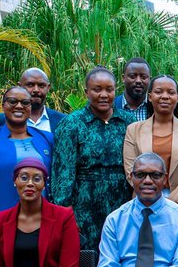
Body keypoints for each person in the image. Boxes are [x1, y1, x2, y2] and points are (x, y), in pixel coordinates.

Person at [50, 67, 135, 250]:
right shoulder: (72, 124)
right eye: (97, 89)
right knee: (86, 261)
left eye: (109, 89)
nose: (104, 95)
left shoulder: (129, 122)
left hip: (123, 204)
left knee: (121, 256)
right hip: (84, 206)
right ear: (86, 92)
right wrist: (66, 214)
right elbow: (62, 174)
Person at [123, 76, 178, 241]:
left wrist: (169, 203)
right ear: (150, 96)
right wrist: (153, 200)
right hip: (144, 202)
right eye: (159, 92)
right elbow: (130, 170)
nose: (165, 96)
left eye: (171, 92)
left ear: (177, 97)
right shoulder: (134, 130)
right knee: (145, 258)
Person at [0, 85, 55, 251]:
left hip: (44, 222)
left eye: (25, 102)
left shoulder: (46, 138)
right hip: (4, 224)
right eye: (12, 101)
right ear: (3, 105)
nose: (19, 106)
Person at [0, 68, 65, 132]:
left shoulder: (62, 121)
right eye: (30, 85)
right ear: (20, 86)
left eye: (41, 85)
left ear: (48, 88)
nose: (36, 90)